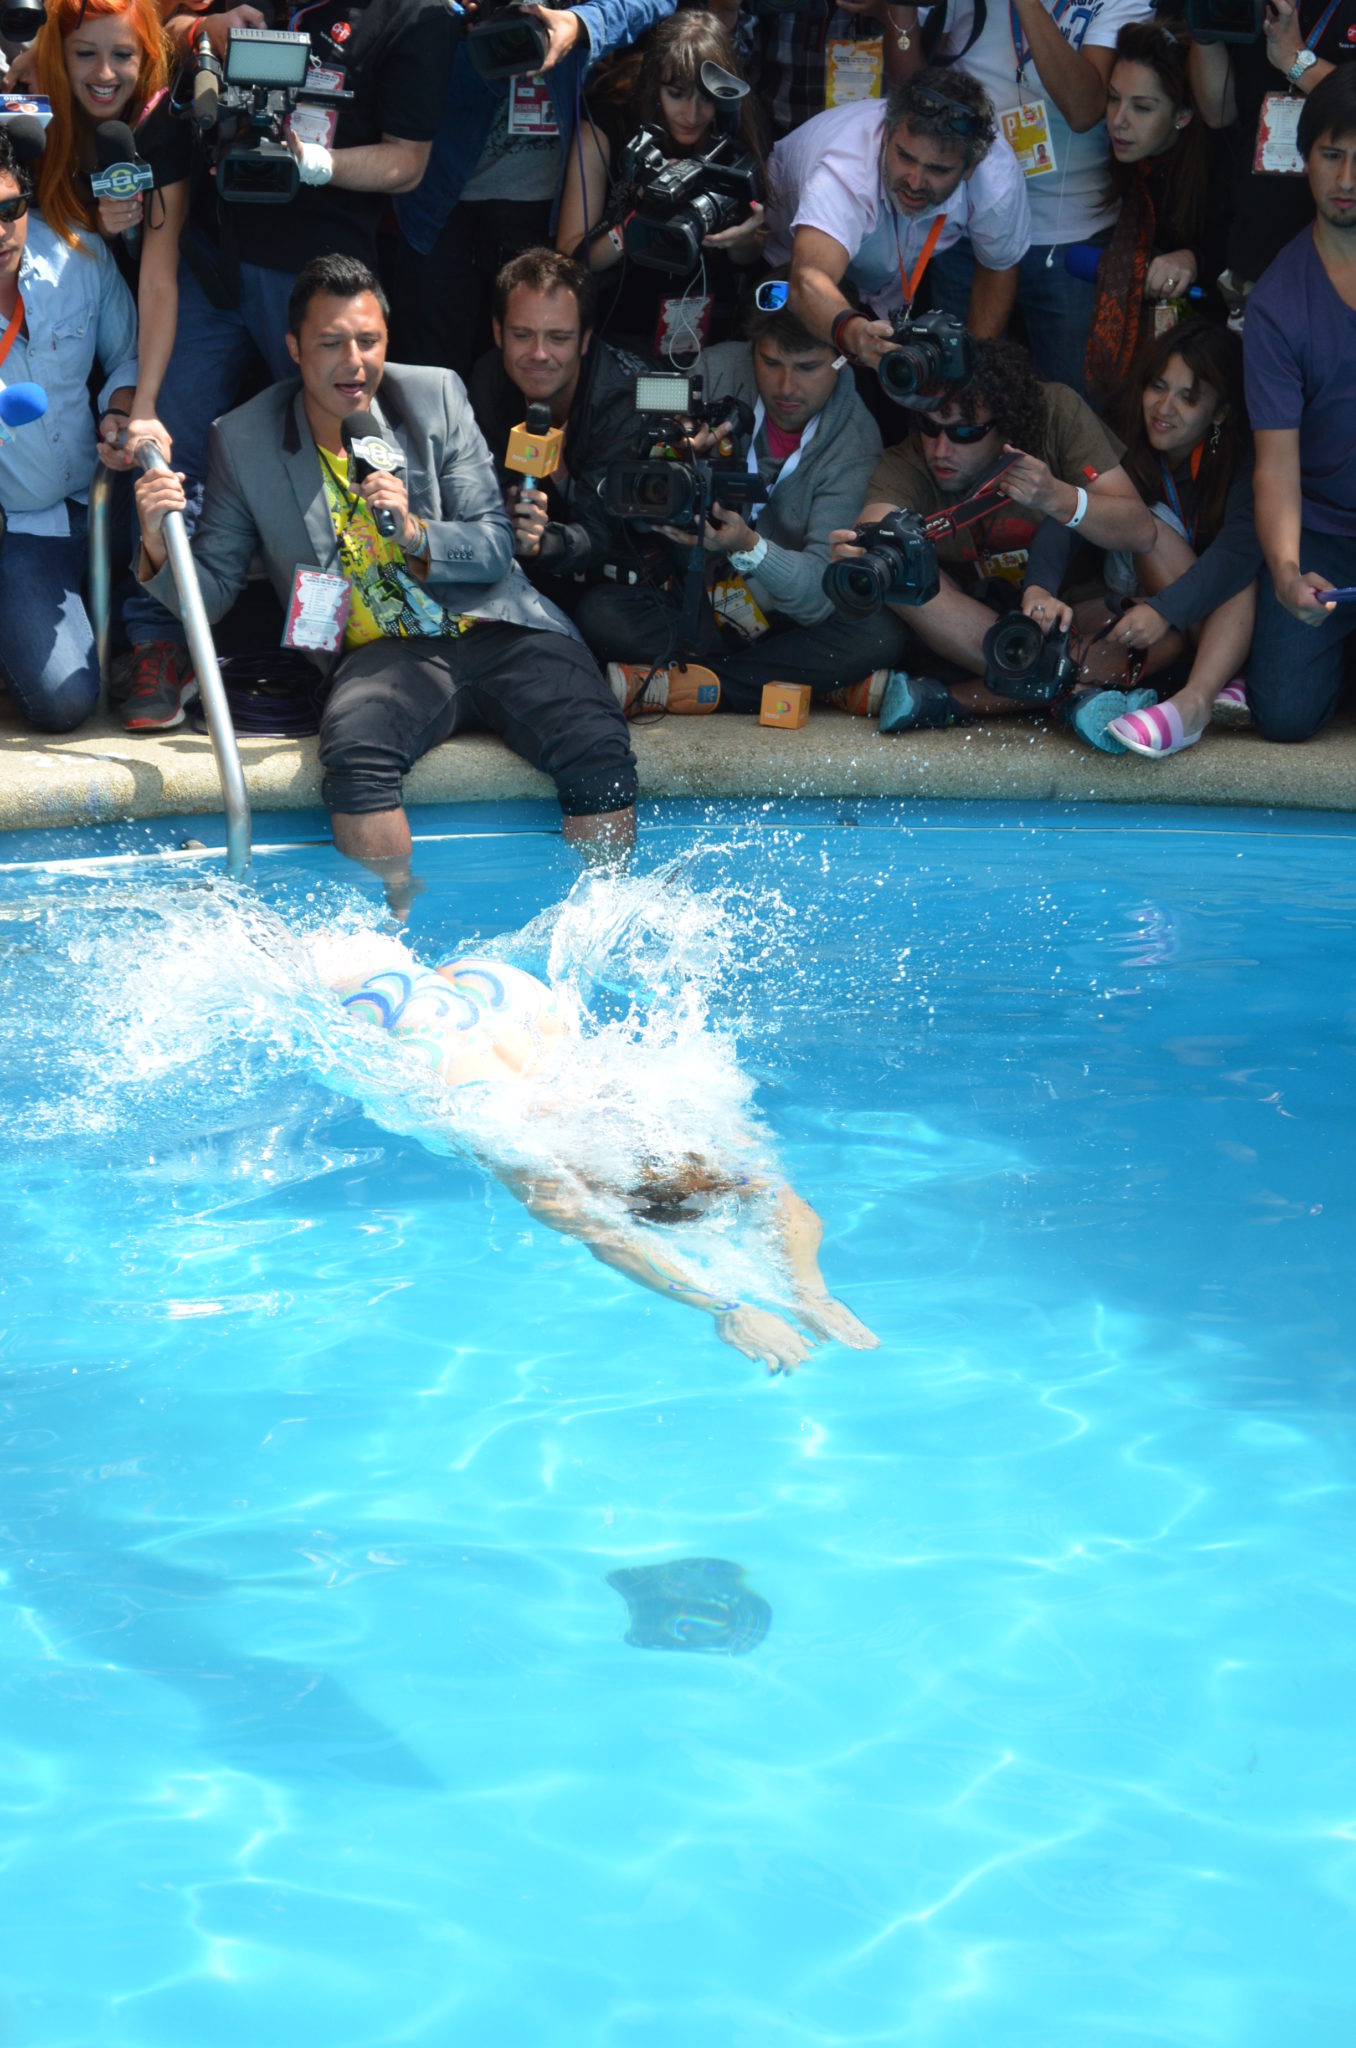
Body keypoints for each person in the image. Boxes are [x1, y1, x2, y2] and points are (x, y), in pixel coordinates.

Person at [130, 255, 638, 912]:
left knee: (596, 741)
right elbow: (213, 597)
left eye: (368, 341)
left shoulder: (434, 396)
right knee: (355, 757)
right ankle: (397, 921)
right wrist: (156, 543)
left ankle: (601, 920)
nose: (354, 363)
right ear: (294, 348)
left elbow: (493, 545)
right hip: (381, 653)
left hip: (495, 623)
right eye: (331, 343)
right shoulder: (243, 438)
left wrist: (418, 534)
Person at [114, 0, 458, 727]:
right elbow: (166, 35)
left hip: (321, 277)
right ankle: (159, 641)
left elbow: (408, 162)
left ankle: (335, 650)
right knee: (165, 446)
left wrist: (312, 162)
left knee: (334, 471)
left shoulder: (416, 17)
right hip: (212, 260)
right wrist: (198, 31)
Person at [315, 929, 878, 1372]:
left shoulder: (680, 1113)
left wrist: (810, 1294)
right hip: (407, 1025)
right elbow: (612, 1241)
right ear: (608, 1194)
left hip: (515, 1003)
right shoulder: (526, 1153)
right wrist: (728, 1308)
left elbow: (783, 1201)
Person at [572, 289, 912, 713]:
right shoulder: (714, 370)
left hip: (788, 615)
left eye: (807, 367)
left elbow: (819, 593)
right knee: (600, 612)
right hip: (697, 594)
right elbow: (634, 499)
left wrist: (749, 547)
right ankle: (810, 684)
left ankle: (688, 684)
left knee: (880, 635)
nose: (786, 386)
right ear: (753, 348)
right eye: (770, 363)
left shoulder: (856, 441)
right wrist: (670, 454)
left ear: (844, 360)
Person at [828, 335, 1159, 748]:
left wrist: (1058, 497)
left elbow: (1141, 530)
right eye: (930, 426)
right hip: (974, 633)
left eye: (965, 432)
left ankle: (961, 699)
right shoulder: (911, 459)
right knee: (892, 568)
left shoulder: (1056, 413)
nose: (941, 449)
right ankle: (1067, 690)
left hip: (1068, 616)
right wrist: (863, 548)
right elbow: (876, 522)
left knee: (1161, 624)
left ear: (1007, 425)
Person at [388, 0, 675, 380]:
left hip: (539, 210)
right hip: (439, 206)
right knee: (430, 378)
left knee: (532, 373)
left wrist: (580, 23)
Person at [890, 0, 1155, 395]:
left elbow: (1084, 110)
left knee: (1072, 404)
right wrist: (899, 11)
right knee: (952, 391)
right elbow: (909, 96)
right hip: (968, 227)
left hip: (1067, 238)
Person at [0, 128, 140, 733]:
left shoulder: (76, 253)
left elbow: (130, 355)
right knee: (63, 702)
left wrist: (121, 409)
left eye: (10, 209)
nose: (0, 230)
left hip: (106, 499)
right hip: (21, 530)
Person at [1241, 69, 1356, 743]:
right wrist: (1286, 572)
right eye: (1332, 154)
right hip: (1324, 531)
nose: (1347, 178)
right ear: (1303, 158)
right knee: (1284, 714)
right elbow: (1276, 464)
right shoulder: (1278, 301)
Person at [772, 68, 1030, 363]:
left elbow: (998, 267)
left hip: (887, 291)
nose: (915, 182)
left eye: (938, 170)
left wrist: (971, 368)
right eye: (905, 157)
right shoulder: (844, 169)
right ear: (885, 136)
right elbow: (808, 280)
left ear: (971, 168)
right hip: (784, 264)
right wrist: (854, 334)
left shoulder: (996, 178)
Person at [29, 0, 185, 491]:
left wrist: (144, 406)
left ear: (146, 55)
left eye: (122, 54)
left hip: (146, 313)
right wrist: (98, 226)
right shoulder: (32, 108)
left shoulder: (162, 123)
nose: (104, 74)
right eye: (84, 54)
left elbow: (158, 280)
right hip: (63, 320)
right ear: (57, 55)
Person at [556, 11, 767, 363]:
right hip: (616, 328)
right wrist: (636, 222)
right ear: (654, 86)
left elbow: (750, 256)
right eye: (676, 94)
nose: (692, 114)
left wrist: (742, 239)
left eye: (707, 98)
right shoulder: (605, 129)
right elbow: (571, 259)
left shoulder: (731, 135)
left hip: (707, 331)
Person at [1097, 321, 1261, 757]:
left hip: (1206, 607)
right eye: (1158, 386)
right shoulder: (1117, 431)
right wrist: (1039, 586)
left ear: (1220, 413)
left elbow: (1241, 549)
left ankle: (1194, 704)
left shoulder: (1242, 455)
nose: (1164, 408)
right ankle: (1226, 677)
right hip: (1142, 598)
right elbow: (1070, 512)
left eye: (1188, 398)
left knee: (1238, 568)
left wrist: (1166, 610)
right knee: (1147, 525)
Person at [468, 247, 647, 615]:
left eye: (559, 338)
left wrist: (543, 544)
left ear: (585, 340)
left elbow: (603, 534)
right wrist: (504, 513)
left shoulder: (622, 402)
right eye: (522, 334)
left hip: (613, 573)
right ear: (498, 332)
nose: (539, 353)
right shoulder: (487, 380)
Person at [1083, 22, 1228, 410]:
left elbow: (1233, 241)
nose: (1118, 120)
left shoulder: (1215, 167)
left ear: (1183, 114)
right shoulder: (1129, 164)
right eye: (1113, 99)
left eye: (1142, 107)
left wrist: (1193, 258)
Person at [1190, 0, 1356, 298]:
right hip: (1257, 258)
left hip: (1342, 272)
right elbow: (1217, 112)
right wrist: (1206, 26)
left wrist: (1296, 61)